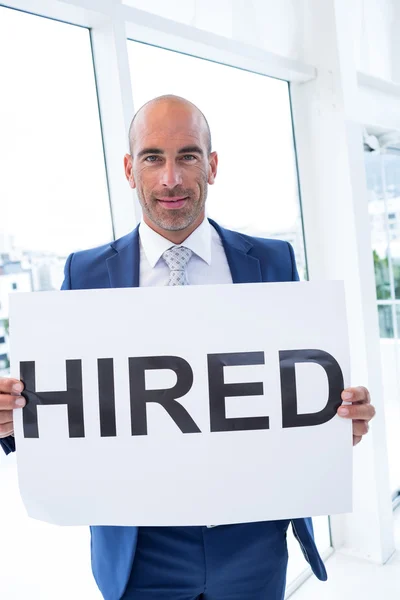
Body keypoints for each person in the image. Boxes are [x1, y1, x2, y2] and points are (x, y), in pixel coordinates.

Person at [0, 95, 375, 600]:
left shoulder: (270, 262)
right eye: (153, 157)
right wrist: (14, 418)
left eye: (188, 156)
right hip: (141, 546)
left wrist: (332, 421)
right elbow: (75, 402)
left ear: (212, 165)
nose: (171, 178)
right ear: (131, 170)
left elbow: (292, 385)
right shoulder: (85, 274)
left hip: (252, 538)